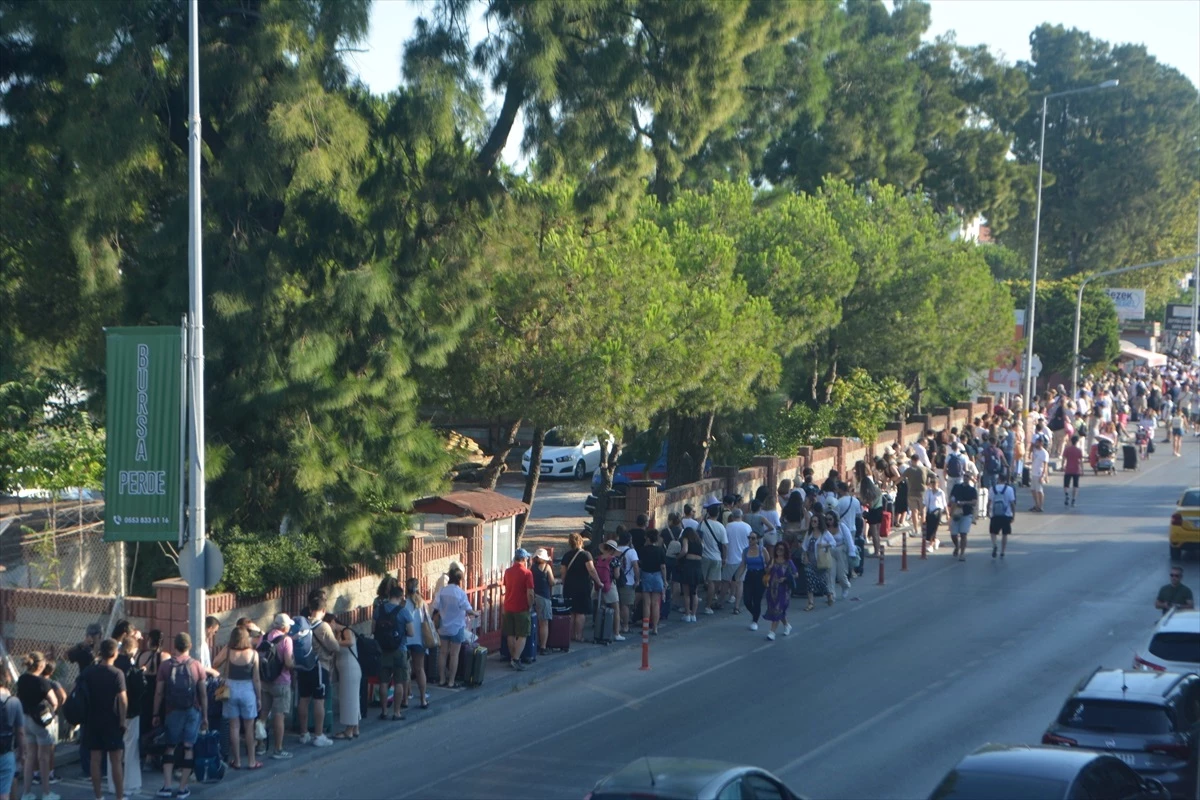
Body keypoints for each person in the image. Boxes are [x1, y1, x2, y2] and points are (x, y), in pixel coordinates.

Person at [153, 632, 207, 799]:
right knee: (188, 747)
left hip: (172, 710)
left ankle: (167, 786)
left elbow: (159, 692)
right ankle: (183, 788)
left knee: (170, 746)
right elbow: (203, 694)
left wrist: (155, 713)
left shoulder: (166, 666)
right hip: (193, 710)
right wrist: (205, 716)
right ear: (189, 646)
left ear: (174, 646)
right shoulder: (197, 665)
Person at [81, 638, 127, 800]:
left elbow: (77, 688)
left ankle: (98, 796)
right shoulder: (117, 674)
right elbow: (122, 699)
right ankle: (119, 797)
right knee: (115, 760)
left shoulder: (89, 671)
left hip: (92, 719)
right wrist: (122, 720)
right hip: (111, 720)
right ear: (115, 653)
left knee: (95, 758)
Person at [297, 590, 339, 747]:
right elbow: (335, 647)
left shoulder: (302, 623)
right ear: (323, 610)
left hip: (303, 666)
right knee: (319, 701)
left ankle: (303, 733)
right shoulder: (323, 626)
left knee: (303, 699)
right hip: (320, 667)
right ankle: (319, 735)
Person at [17, 652, 59, 800]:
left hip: (25, 718)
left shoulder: (21, 679)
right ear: (41, 665)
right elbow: (54, 701)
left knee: (30, 757)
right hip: (40, 721)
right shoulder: (42, 682)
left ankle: (26, 792)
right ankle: (46, 792)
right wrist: (51, 712)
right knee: (44, 757)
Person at [219, 626, 262, 768]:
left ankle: (236, 760)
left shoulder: (228, 652)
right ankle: (251, 761)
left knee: (234, 727)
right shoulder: (253, 654)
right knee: (249, 728)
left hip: (231, 688)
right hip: (247, 688)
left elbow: (223, 669)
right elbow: (256, 679)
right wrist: (259, 697)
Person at [110, 629, 145, 797]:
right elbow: (139, 690)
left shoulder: (113, 665)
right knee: (131, 748)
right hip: (131, 712)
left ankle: (112, 784)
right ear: (133, 650)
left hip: (111, 712)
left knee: (113, 750)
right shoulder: (132, 668)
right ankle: (131, 784)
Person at [373, 584, 412, 720]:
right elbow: (411, 632)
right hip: (399, 650)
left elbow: (373, 630)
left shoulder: (378, 610)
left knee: (383, 682)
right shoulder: (403, 612)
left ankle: (384, 711)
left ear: (389, 596)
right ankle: (397, 712)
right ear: (401, 597)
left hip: (383, 650)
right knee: (399, 682)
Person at [433, 569, 477, 688]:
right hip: (457, 627)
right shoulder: (460, 593)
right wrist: (475, 613)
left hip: (443, 627)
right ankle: (451, 681)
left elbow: (435, 606)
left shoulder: (442, 591)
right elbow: (468, 609)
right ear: (459, 579)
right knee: (454, 655)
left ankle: (442, 679)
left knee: (443, 653)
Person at [260, 614, 295, 760]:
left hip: (265, 681)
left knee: (263, 714)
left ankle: (260, 745)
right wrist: (294, 665)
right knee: (279, 716)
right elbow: (288, 662)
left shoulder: (265, 637)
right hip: (281, 682)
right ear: (284, 627)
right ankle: (278, 749)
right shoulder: (286, 640)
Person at [559, 533, 602, 642]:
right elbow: (591, 570)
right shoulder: (586, 555)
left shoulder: (566, 555)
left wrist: (564, 584)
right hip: (582, 586)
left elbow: (563, 573)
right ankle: (579, 635)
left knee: (572, 611)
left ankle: (571, 635)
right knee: (580, 612)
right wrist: (598, 582)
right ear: (581, 542)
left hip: (569, 586)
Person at [502, 549, 536, 669]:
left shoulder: (507, 572)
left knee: (510, 634)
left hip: (508, 606)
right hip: (521, 608)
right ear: (524, 559)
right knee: (522, 634)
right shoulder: (527, 573)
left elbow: (506, 586)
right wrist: (530, 605)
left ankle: (513, 657)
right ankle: (516, 659)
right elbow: (530, 593)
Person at [327, 616, 360, 740]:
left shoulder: (346, 630)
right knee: (352, 697)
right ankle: (355, 728)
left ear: (333, 622)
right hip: (346, 669)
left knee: (349, 699)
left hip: (350, 669)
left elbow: (350, 642)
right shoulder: (337, 634)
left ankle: (348, 730)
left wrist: (334, 642)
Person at [403, 578, 431, 709]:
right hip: (420, 640)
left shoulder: (403, 604)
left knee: (405, 670)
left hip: (406, 640)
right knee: (420, 669)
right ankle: (423, 699)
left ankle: (406, 699)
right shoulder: (422, 604)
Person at [0, 668, 27, 800]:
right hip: (6, 751)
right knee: (4, 791)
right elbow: (20, 732)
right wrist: (22, 753)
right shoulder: (14, 702)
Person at [735, 532, 770, 631]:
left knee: (757, 599)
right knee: (747, 600)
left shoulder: (762, 550)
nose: (750, 540)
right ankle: (756, 613)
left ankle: (755, 621)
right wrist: (738, 576)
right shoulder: (745, 551)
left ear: (757, 539)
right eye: (749, 538)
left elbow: (768, 564)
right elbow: (743, 565)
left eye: (753, 538)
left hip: (760, 576)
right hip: (749, 575)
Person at [762, 543, 798, 641]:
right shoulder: (772, 560)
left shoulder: (788, 562)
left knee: (778, 609)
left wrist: (785, 578)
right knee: (776, 609)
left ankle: (772, 632)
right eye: (777, 549)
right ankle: (787, 625)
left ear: (785, 551)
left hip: (783, 590)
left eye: (781, 549)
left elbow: (796, 574)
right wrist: (770, 567)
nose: (779, 551)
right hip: (772, 589)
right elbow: (766, 571)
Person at [698, 502, 728, 616]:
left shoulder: (702, 524)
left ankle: (692, 604)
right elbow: (725, 545)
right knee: (712, 582)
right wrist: (724, 558)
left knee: (699, 581)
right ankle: (708, 606)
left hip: (703, 556)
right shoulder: (720, 526)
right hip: (716, 557)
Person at [801, 519, 835, 611]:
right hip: (810, 561)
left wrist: (824, 545)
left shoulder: (824, 533)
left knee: (820, 581)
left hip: (820, 561)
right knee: (809, 579)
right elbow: (804, 546)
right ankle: (811, 602)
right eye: (812, 521)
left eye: (815, 521)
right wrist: (805, 556)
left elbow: (833, 543)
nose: (813, 523)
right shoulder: (809, 533)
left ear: (819, 523)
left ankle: (828, 594)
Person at [638, 529, 667, 635]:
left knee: (646, 603)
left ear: (648, 538)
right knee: (656, 604)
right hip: (657, 575)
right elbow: (663, 567)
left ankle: (645, 627)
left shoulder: (643, 550)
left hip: (646, 575)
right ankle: (655, 628)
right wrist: (665, 580)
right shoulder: (660, 550)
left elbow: (640, 563)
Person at [723, 508, 751, 614]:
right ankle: (737, 606)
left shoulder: (728, 526)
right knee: (740, 583)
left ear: (732, 516)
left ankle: (721, 601)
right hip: (743, 559)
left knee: (725, 581)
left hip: (731, 557)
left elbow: (725, 542)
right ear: (741, 516)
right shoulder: (747, 527)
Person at [594, 541, 622, 640]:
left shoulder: (597, 558)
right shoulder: (614, 560)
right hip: (610, 585)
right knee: (616, 609)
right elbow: (617, 575)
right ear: (612, 550)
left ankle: (599, 631)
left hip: (598, 586)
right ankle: (616, 633)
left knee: (601, 609)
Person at [614, 531, 640, 634]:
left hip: (615, 580)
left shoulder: (614, 550)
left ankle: (617, 625)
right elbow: (635, 566)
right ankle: (625, 626)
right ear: (629, 540)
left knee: (616, 604)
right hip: (628, 581)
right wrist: (637, 579)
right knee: (625, 605)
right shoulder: (631, 552)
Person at [948, 472, 978, 562]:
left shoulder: (972, 490)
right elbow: (951, 497)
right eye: (964, 476)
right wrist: (953, 502)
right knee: (953, 534)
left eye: (967, 476)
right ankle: (957, 546)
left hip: (966, 513)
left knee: (963, 534)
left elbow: (974, 502)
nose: (965, 478)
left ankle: (962, 553)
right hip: (956, 513)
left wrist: (964, 502)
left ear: (970, 478)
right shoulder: (957, 487)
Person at [530, 549, 555, 655]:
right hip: (544, 597)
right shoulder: (547, 567)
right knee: (544, 623)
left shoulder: (532, 568)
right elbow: (552, 582)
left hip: (533, 596)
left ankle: (534, 644)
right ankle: (543, 646)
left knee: (533, 622)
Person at [678, 526, 704, 623]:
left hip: (688, 565)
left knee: (686, 593)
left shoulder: (685, 539)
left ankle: (687, 614)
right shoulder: (699, 541)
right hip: (698, 566)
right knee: (695, 592)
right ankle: (694, 614)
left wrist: (678, 557)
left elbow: (685, 550)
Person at [988, 475, 1017, 560]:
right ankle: (1002, 552)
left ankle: (994, 545)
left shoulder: (992, 489)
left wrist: (987, 512)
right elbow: (1012, 504)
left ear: (998, 480)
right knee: (1005, 534)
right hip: (1006, 515)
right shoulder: (1009, 489)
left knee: (993, 532)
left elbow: (989, 502)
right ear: (1005, 480)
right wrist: (1013, 515)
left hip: (995, 514)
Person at [902, 455, 928, 533]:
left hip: (911, 493)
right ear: (918, 460)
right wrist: (928, 484)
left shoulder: (909, 470)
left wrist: (894, 484)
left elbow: (901, 477)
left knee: (914, 512)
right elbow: (934, 476)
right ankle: (923, 528)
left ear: (912, 460)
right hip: (922, 493)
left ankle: (916, 529)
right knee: (923, 512)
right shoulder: (924, 469)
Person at [923, 475, 946, 552]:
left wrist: (948, 514)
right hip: (930, 511)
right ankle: (935, 540)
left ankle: (930, 545)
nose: (933, 484)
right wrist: (922, 513)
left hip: (937, 511)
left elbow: (944, 503)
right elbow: (925, 503)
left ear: (938, 483)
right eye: (931, 483)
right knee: (929, 528)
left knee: (934, 528)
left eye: (934, 483)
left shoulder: (941, 492)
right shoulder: (928, 492)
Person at [1061, 434, 1084, 508]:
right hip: (1076, 470)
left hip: (1068, 469)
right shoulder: (1079, 450)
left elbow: (1064, 458)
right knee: (1075, 485)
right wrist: (1082, 470)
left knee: (1066, 485)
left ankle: (1066, 494)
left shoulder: (1067, 449)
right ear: (1077, 442)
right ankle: (1073, 499)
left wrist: (1062, 466)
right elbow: (1080, 461)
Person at [1029, 437, 1049, 512]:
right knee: (1033, 490)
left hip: (1039, 473)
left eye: (1037, 442)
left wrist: (1044, 475)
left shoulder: (1044, 453)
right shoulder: (1035, 450)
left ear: (1041, 443)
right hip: (1033, 472)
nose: (1036, 443)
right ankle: (1036, 504)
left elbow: (1045, 465)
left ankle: (1040, 505)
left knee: (1039, 491)